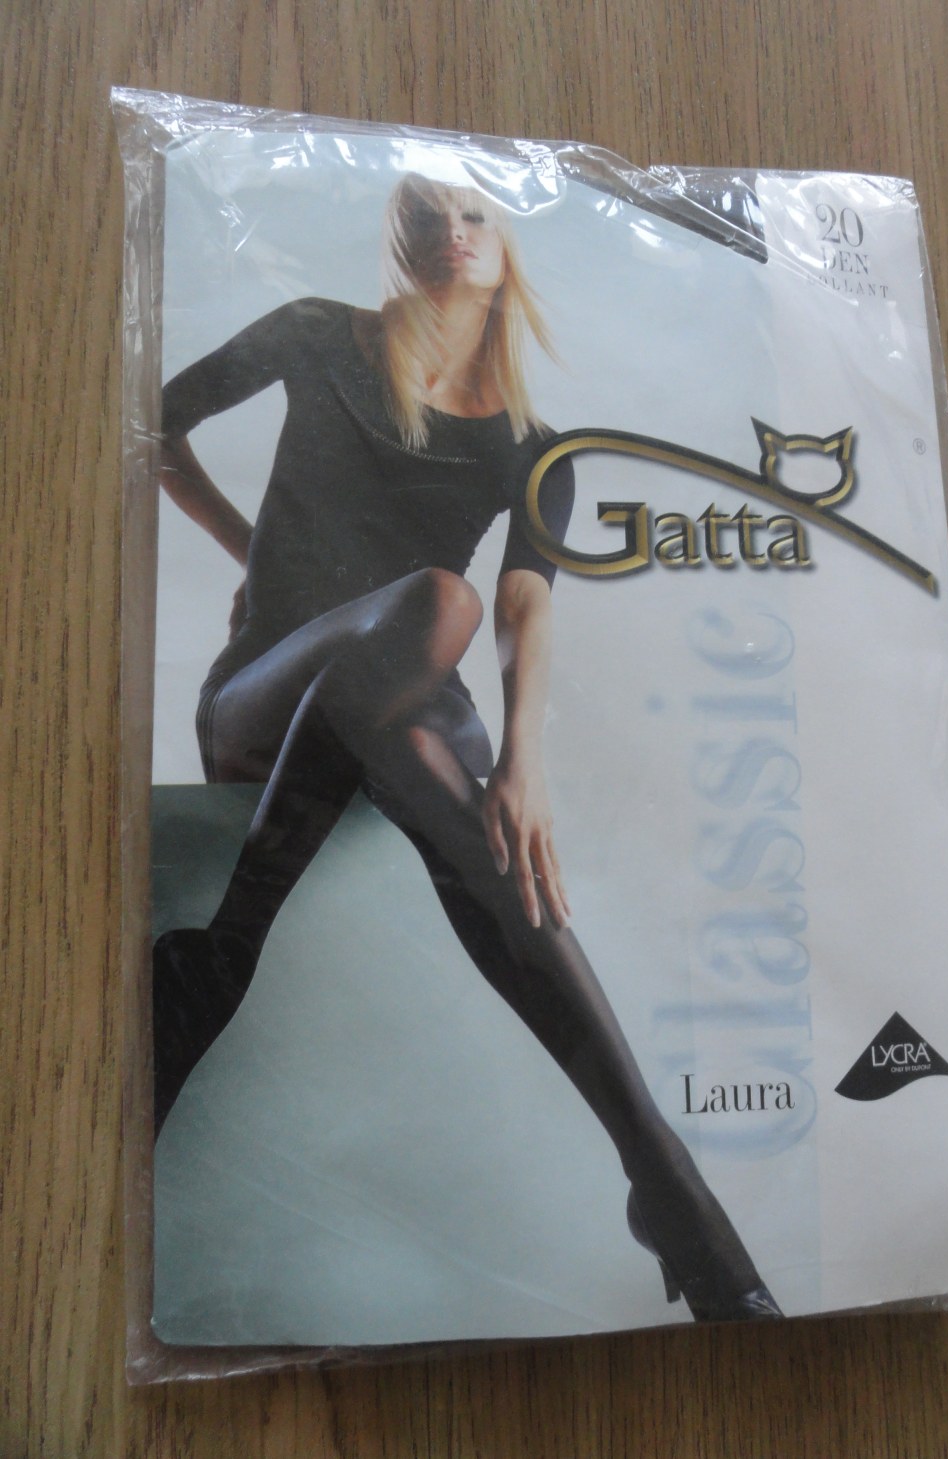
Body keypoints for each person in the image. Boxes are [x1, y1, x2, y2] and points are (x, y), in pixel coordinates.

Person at [153, 172, 780, 1323]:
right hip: (261, 700)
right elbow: (154, 418)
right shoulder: (315, 335)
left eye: (476, 214)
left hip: (410, 717)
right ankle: (669, 1187)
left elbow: (527, 601)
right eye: (428, 215)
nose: (452, 231)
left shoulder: (536, 447)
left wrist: (524, 761)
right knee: (435, 600)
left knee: (443, 732)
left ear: (504, 246)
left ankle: (225, 950)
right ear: (398, 237)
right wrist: (247, 548)